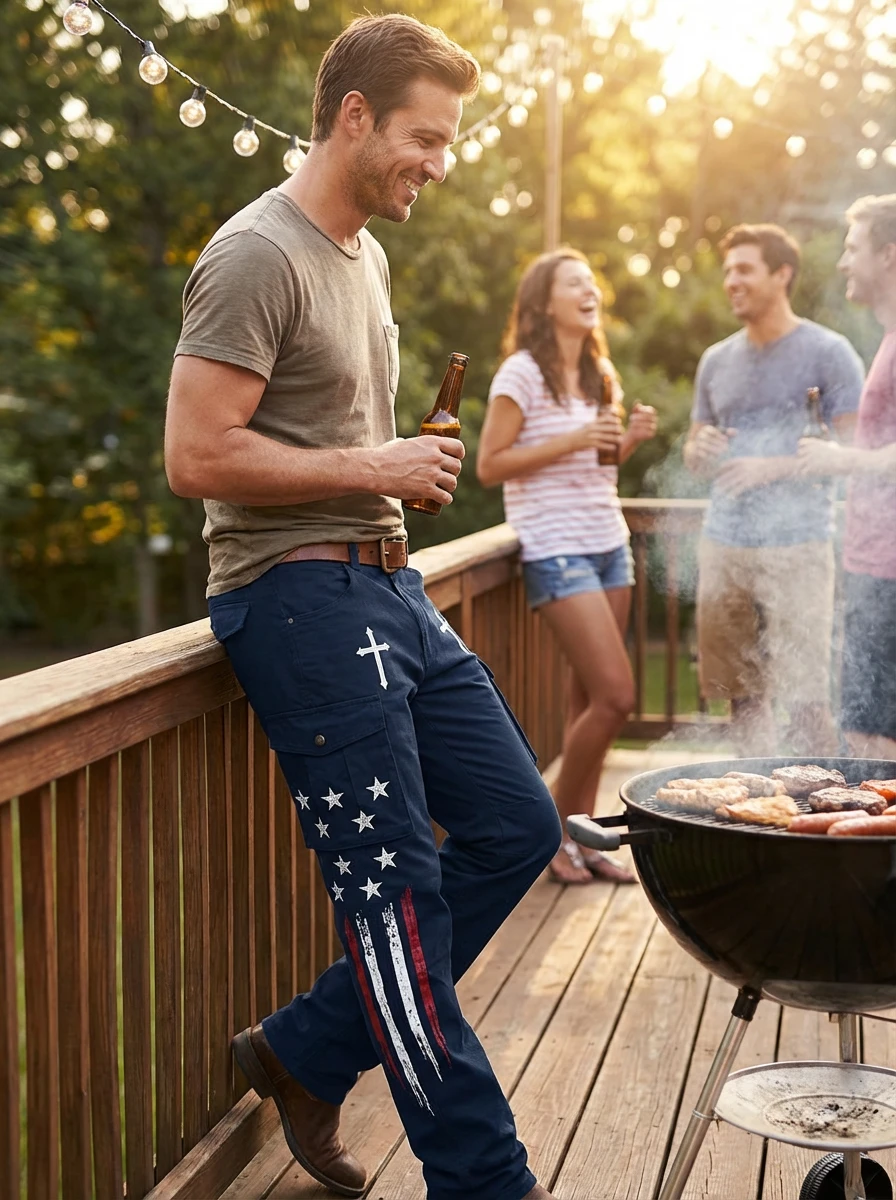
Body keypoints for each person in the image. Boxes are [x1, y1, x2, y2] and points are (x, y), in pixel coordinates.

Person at [163, 16, 561, 1200]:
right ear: (352, 118)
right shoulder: (255, 255)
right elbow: (194, 455)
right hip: (293, 601)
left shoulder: (364, 258)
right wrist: (374, 469)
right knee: (396, 899)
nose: (438, 162)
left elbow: (332, 444)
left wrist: (387, 470)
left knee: (517, 826)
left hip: (387, 587)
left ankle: (306, 1049)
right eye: (423, 138)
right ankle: (484, 1182)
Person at [477, 249, 657, 886]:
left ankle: (582, 840)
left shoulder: (601, 371)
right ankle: (550, 836)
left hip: (608, 543)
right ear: (543, 303)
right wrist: (577, 438)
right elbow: (490, 464)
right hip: (555, 549)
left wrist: (626, 441)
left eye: (591, 282)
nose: (589, 290)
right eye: (573, 283)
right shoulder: (521, 373)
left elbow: (598, 469)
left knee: (591, 701)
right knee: (617, 696)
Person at [683, 224, 863, 755]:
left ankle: (820, 827)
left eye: (744, 269)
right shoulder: (715, 360)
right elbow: (695, 449)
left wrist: (772, 467)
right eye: (727, 272)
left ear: (781, 274)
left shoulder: (830, 352)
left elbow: (853, 453)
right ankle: (754, 814)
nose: (731, 281)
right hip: (724, 545)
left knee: (807, 699)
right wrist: (699, 452)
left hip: (799, 547)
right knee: (741, 698)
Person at [799, 195, 896, 760]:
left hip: (887, 570)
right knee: (863, 732)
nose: (841, 262)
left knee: (873, 741)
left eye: (852, 248)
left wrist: (842, 461)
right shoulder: (885, 339)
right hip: (870, 561)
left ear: (888, 255)